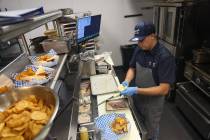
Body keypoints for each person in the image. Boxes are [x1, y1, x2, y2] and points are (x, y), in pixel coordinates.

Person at [120, 21, 176, 140]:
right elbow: (132, 68)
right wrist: (126, 81)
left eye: (142, 40)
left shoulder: (165, 57)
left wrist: (136, 90)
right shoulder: (139, 49)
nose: (139, 43)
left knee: (151, 132)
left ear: (152, 36)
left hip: (153, 104)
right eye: (138, 40)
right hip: (138, 98)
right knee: (138, 127)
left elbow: (164, 89)